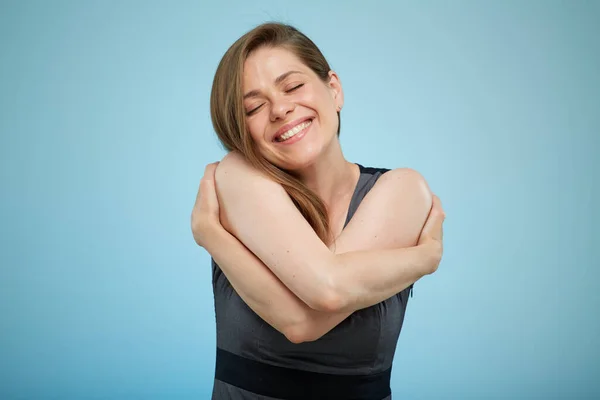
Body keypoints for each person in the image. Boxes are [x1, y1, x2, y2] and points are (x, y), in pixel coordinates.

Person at [191, 22, 446, 400]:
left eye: (293, 86)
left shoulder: (403, 189)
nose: (280, 109)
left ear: (334, 89)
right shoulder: (237, 175)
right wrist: (423, 259)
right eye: (254, 107)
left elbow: (318, 300)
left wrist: (211, 235)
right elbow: (316, 306)